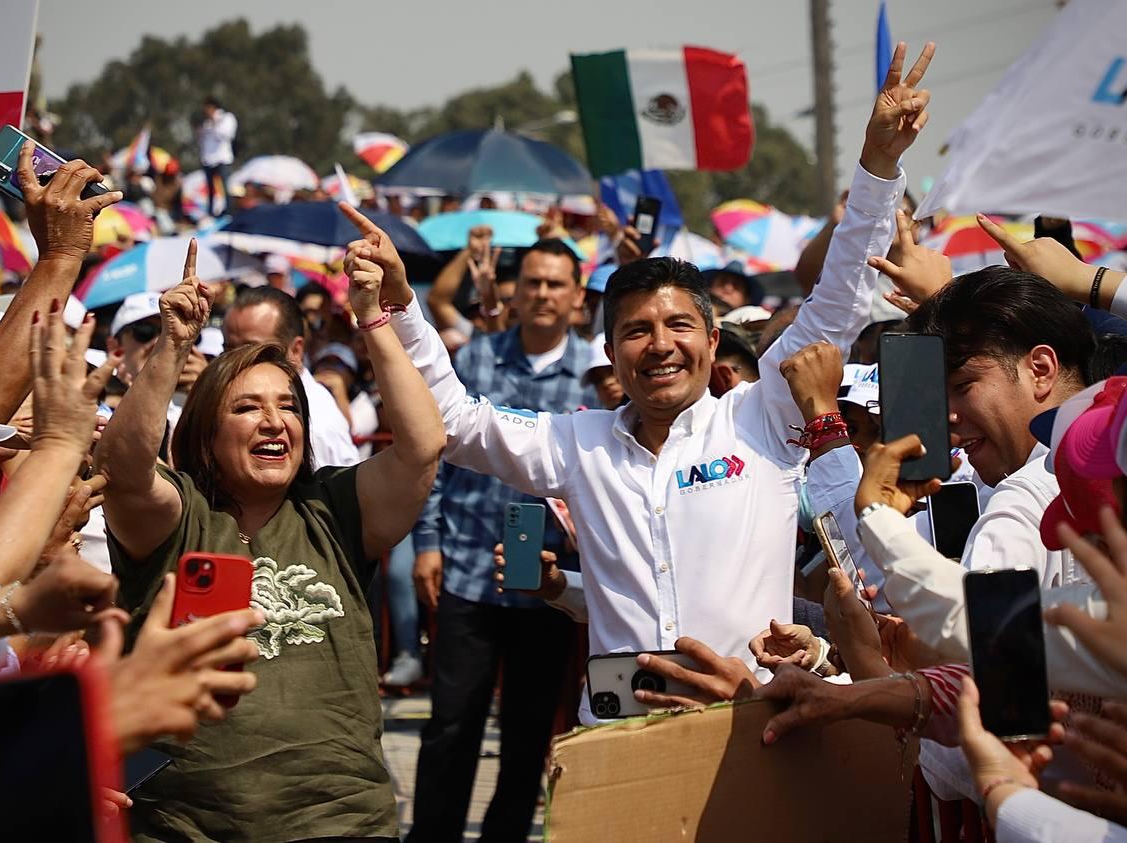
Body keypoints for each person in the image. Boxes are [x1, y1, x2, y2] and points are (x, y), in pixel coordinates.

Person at [347, 40, 934, 725]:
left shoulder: (761, 415)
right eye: (636, 331)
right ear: (610, 352)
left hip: (753, 727)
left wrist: (878, 166)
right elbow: (452, 419)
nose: (660, 344)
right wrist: (400, 306)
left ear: (713, 341)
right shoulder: (577, 442)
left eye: (679, 326)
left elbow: (836, 300)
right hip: (618, 735)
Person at [94, 241, 445, 841]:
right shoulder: (179, 516)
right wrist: (174, 343)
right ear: (206, 434)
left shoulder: (334, 508)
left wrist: (374, 317)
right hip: (186, 826)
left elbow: (423, 446)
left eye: (288, 407)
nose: (274, 421)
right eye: (248, 408)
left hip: (341, 821)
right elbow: (123, 470)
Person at [406, 238, 596, 842]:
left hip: (550, 582)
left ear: (577, 296)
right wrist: (427, 542)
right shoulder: (476, 357)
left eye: (555, 284)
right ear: (513, 292)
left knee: (528, 732)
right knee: (451, 725)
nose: (542, 294)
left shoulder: (599, 374)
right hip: (466, 567)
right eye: (532, 282)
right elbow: (432, 454)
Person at [222, 284, 362, 466]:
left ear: (296, 351)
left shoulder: (315, 426)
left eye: (253, 350)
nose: (237, 362)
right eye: (228, 350)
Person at [197, 96, 236, 217]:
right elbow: (204, 142)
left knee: (225, 188)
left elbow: (226, 135)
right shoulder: (206, 123)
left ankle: (229, 212)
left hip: (222, 159)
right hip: (208, 160)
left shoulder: (226, 118)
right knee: (210, 190)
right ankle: (210, 213)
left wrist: (215, 124)